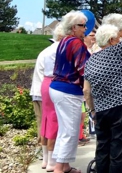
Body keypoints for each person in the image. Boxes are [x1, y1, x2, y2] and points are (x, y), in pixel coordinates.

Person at [83, 0, 122, 173]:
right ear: (111, 40)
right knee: (119, 148)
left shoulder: (90, 61)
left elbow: (86, 91)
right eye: (118, 38)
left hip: (101, 110)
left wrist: (93, 111)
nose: (120, 39)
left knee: (102, 147)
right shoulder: (117, 51)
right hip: (121, 107)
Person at [49, 11, 90, 173]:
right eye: (82, 26)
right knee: (70, 131)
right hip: (69, 90)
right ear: (73, 27)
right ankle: (59, 168)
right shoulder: (76, 43)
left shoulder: (64, 41)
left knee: (65, 129)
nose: (85, 29)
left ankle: (64, 165)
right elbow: (84, 69)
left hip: (58, 88)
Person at [40, 24, 65, 171]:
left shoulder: (46, 50)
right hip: (56, 82)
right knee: (55, 120)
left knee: (46, 118)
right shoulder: (61, 50)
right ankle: (51, 160)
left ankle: (45, 159)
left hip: (45, 82)